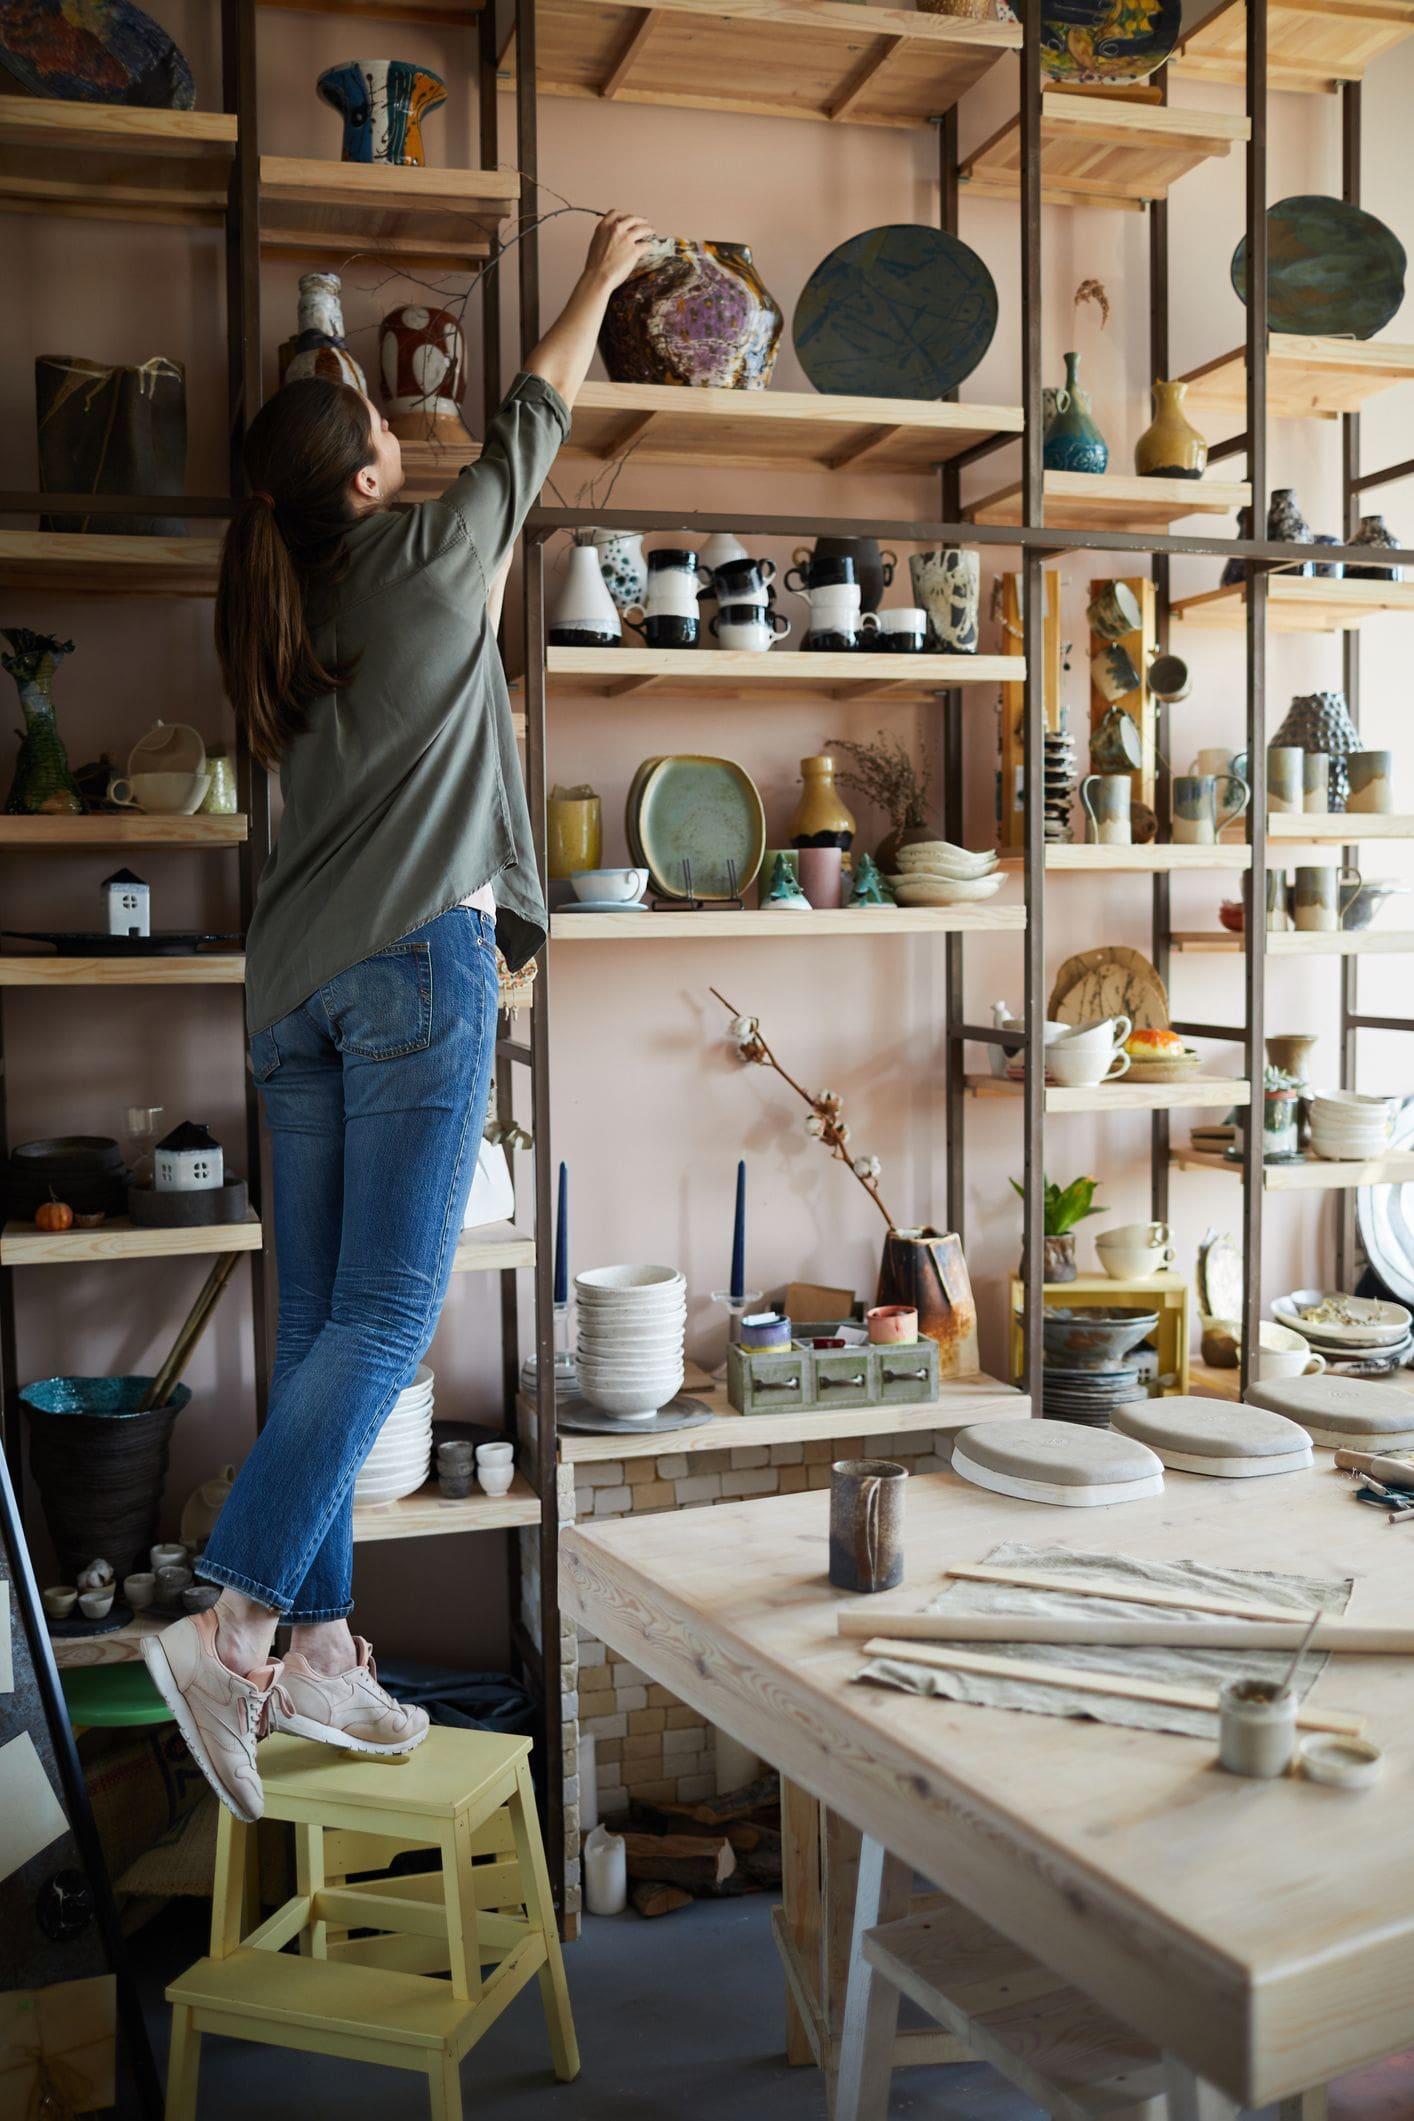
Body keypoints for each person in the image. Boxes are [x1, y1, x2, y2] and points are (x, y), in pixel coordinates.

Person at [142, 212, 654, 1823]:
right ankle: (232, 1623)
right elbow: (536, 407)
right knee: (382, 1324)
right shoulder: (435, 563)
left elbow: (496, 424)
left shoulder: (282, 614)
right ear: (366, 482)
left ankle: (326, 1643)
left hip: (288, 989)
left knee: (318, 1335)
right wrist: (599, 276)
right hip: (411, 974)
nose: (395, 426)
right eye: (377, 421)